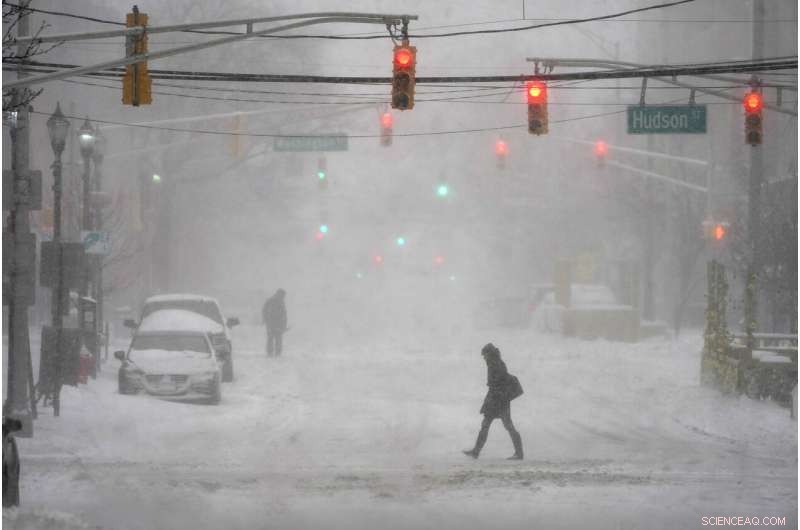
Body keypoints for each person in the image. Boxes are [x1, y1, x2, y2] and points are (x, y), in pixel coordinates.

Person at [463, 343, 524, 460]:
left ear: (490, 354)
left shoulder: (497, 365)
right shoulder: (493, 364)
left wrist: (494, 391)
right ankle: (476, 451)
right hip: (495, 400)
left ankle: (519, 453)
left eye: (485, 355)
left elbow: (499, 383)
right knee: (486, 425)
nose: (484, 358)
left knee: (507, 426)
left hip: (499, 401)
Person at [262, 289, 287, 357]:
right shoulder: (271, 301)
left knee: (276, 338)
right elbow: (264, 310)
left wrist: (284, 324)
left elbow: (284, 314)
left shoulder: (280, 301)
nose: (283, 297)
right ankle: (272, 353)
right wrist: (265, 319)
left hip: (275, 323)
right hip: (272, 323)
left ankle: (275, 353)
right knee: (273, 338)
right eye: (283, 295)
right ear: (279, 294)